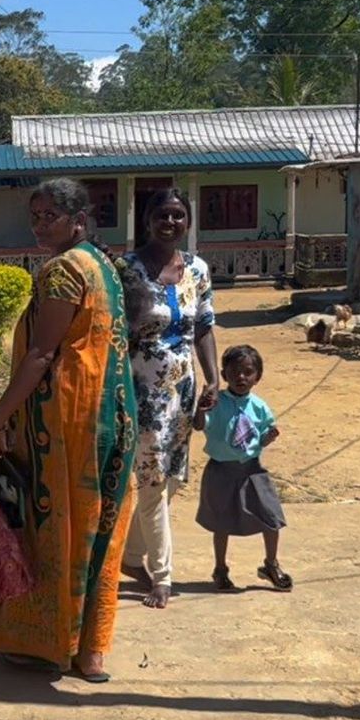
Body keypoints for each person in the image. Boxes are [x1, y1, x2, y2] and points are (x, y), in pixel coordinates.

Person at [0, 179, 138, 681]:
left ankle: (48, 642)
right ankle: (89, 651)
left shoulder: (64, 270)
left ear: (78, 220)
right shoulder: (103, 266)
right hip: (111, 418)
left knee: (56, 528)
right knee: (100, 532)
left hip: (67, 424)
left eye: (50, 215)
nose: (40, 223)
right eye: (36, 215)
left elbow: (41, 355)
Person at [122, 189, 221, 610]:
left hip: (183, 392)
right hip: (141, 391)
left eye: (179, 216)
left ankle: (128, 557)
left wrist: (213, 381)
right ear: (147, 219)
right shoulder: (126, 269)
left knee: (174, 478)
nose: (170, 222)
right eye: (162, 215)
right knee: (152, 480)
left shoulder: (197, 269)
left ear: (188, 222)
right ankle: (161, 576)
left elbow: (204, 327)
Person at [193, 344, 293, 591]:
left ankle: (271, 564)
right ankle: (220, 569)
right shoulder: (216, 403)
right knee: (221, 523)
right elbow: (198, 425)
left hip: (252, 470)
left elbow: (262, 433)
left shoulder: (259, 406)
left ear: (257, 377)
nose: (241, 377)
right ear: (224, 375)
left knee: (272, 517)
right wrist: (200, 408)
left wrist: (267, 438)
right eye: (235, 371)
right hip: (222, 471)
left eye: (248, 372)